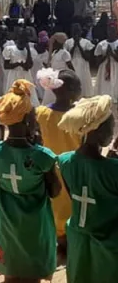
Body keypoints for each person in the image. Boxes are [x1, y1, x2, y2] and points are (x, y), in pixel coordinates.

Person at [0, 79, 60, 283]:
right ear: (29, 119)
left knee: (9, 281)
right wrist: (40, 144)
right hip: (35, 226)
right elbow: (54, 191)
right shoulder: (42, 156)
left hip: (7, 223)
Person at [57, 95, 118, 283]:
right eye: (111, 126)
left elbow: (78, 192)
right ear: (99, 131)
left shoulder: (64, 161)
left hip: (78, 235)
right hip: (109, 240)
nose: (113, 131)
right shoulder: (113, 169)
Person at [35, 69, 82, 252]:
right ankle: (72, 239)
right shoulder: (81, 115)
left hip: (51, 169)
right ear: (69, 90)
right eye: (78, 87)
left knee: (55, 205)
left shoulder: (41, 113)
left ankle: (59, 238)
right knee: (74, 204)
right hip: (76, 169)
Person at [3, 29, 39, 107]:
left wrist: (28, 50)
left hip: (26, 76)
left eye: (26, 40)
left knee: (27, 94)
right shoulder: (10, 49)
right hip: (14, 75)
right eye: (22, 38)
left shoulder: (30, 51)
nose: (23, 41)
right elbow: (6, 66)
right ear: (17, 38)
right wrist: (18, 64)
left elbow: (29, 66)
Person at [41, 33, 74, 105]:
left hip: (61, 77)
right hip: (53, 77)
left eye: (54, 42)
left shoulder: (65, 53)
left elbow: (71, 67)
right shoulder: (55, 52)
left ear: (59, 42)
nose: (52, 44)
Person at [94, 25, 118, 101]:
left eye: (113, 31)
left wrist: (112, 54)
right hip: (104, 67)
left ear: (116, 32)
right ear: (107, 32)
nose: (111, 33)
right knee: (105, 83)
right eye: (110, 31)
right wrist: (106, 55)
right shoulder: (101, 44)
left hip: (116, 67)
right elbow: (97, 62)